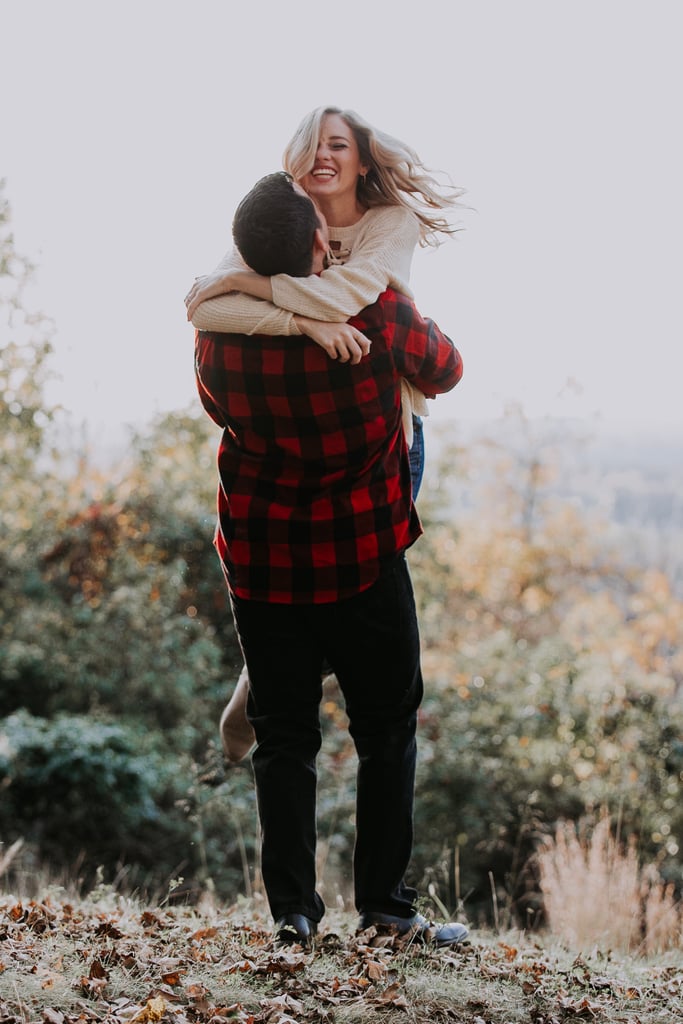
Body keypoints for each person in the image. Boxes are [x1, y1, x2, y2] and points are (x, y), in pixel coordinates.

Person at [194, 171, 466, 948]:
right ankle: (385, 908)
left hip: (265, 560)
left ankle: (293, 915)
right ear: (320, 242)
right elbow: (444, 370)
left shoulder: (219, 334)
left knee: (282, 736)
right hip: (362, 556)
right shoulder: (378, 313)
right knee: (386, 730)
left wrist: (283, 310)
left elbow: (217, 405)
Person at [185, 106, 463, 763]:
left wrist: (249, 281)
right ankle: (274, 689)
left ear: (363, 159)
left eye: (337, 145)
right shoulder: (283, 212)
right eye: (312, 146)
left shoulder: (387, 223)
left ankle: (258, 696)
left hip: (381, 429)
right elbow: (203, 305)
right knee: (306, 581)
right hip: (297, 425)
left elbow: (347, 296)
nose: (322, 158)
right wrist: (303, 325)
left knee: (357, 579)